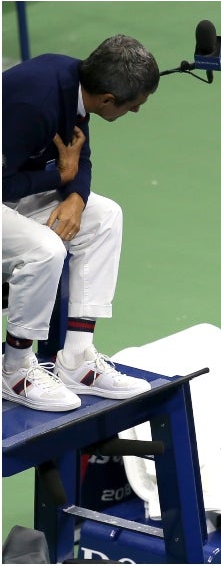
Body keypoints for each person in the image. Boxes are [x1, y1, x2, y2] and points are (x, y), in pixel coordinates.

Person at [2, 35, 158, 411]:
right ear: (107, 99)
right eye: (135, 105)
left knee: (105, 216)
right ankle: (15, 369)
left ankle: (76, 359)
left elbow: (78, 157)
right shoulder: (34, 104)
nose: (136, 112)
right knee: (44, 249)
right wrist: (60, 178)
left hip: (15, 191)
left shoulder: (78, 84)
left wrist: (75, 196)